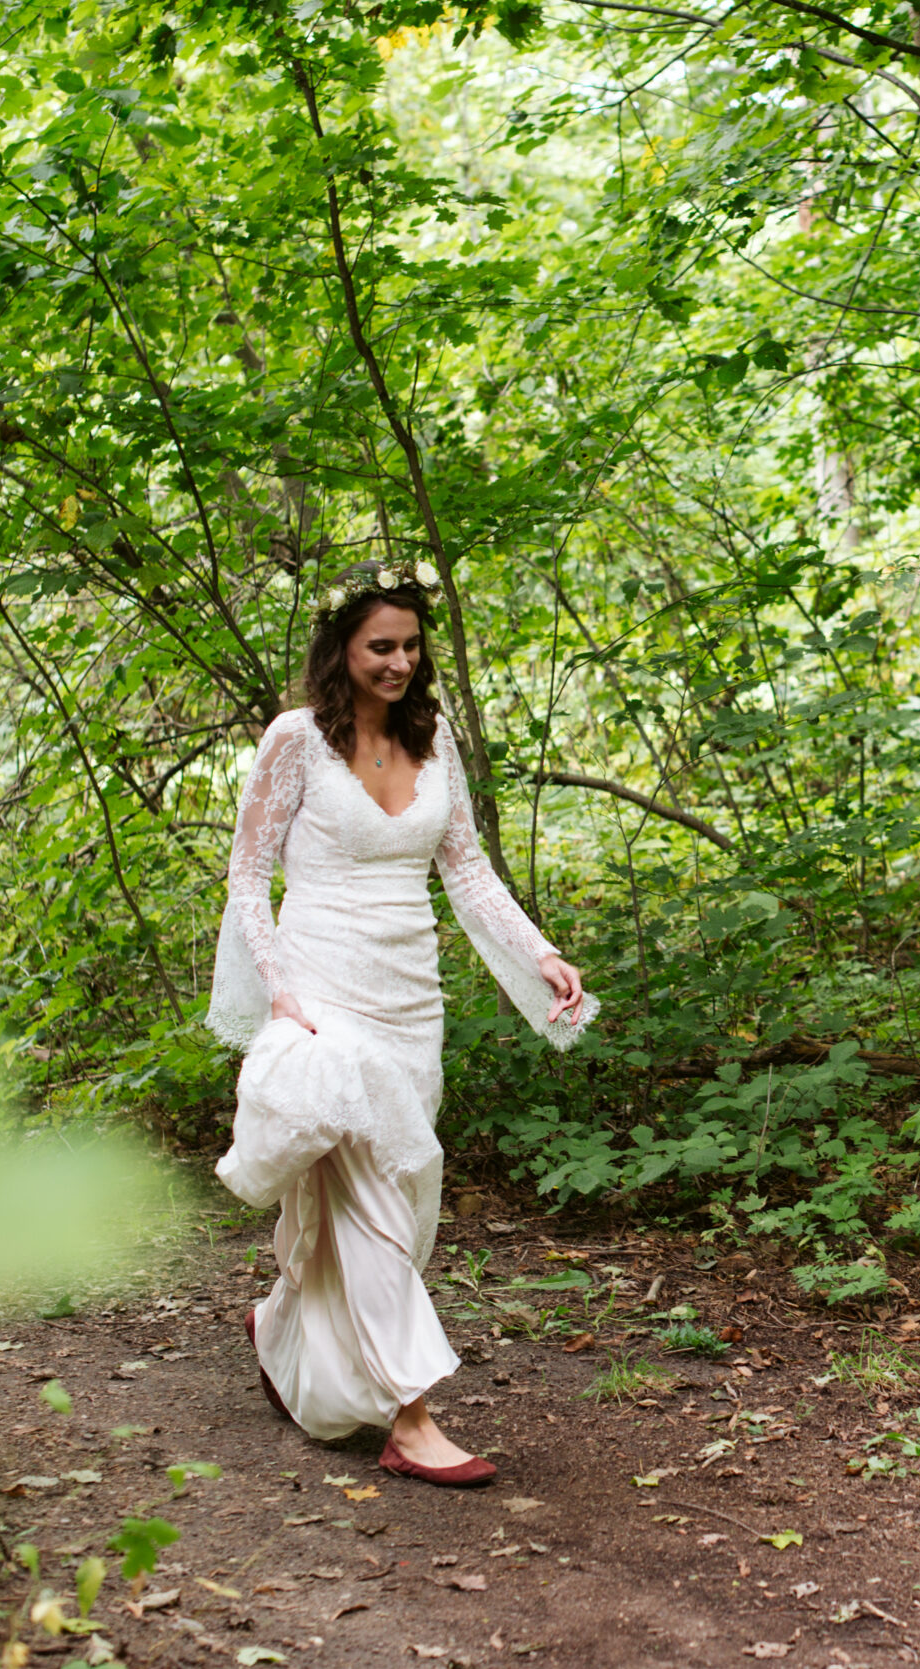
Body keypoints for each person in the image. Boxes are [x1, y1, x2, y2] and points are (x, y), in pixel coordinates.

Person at [205, 560, 594, 1486]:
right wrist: (280, 991)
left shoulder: (435, 741)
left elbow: (465, 873)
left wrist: (537, 954)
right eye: (381, 646)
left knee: (391, 1200)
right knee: (375, 1196)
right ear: (341, 649)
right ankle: (411, 1418)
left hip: (410, 1000)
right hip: (321, 993)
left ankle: (285, 1321)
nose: (400, 662)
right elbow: (248, 877)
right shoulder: (295, 741)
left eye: (412, 646)